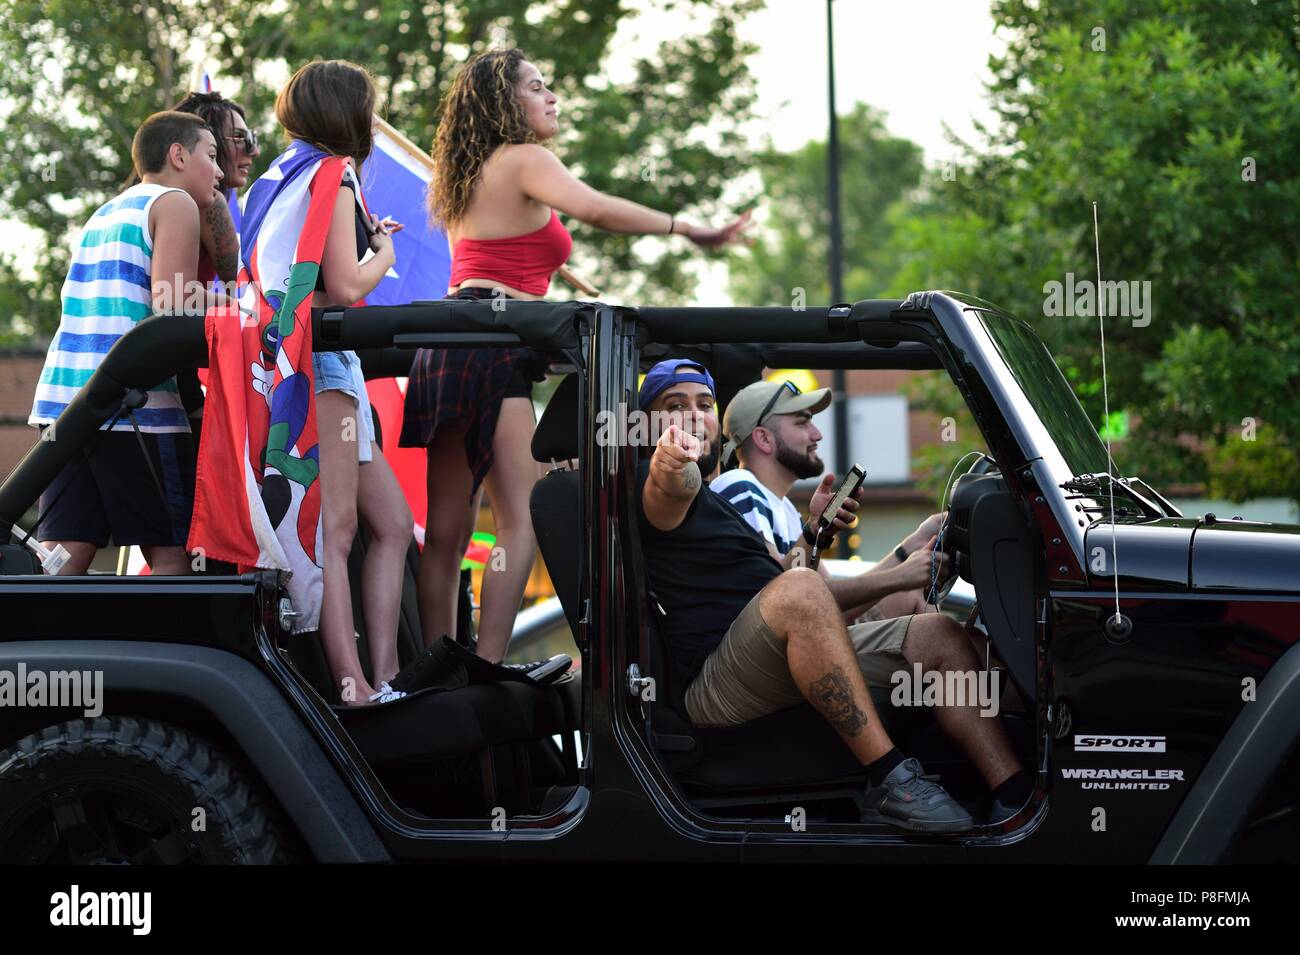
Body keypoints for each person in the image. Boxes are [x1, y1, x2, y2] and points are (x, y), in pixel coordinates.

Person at [403, 47, 752, 662]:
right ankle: (484, 665)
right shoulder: (525, 158)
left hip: (449, 341)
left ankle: (437, 665)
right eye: (537, 87)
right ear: (504, 103)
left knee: (448, 531)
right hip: (493, 346)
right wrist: (685, 228)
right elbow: (592, 207)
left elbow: (505, 255)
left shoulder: (463, 175)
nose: (551, 97)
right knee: (521, 518)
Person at [635, 359, 1034, 831]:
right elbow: (671, 489)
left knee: (938, 635)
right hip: (715, 680)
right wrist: (667, 461)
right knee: (802, 590)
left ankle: (1017, 803)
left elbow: (779, 577)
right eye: (673, 406)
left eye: (703, 405)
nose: (691, 415)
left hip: (765, 652)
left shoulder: (719, 502)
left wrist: (812, 531)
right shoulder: (663, 486)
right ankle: (894, 780)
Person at [267, 60, 414, 704]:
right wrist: (384, 252)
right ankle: (354, 685)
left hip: (310, 361)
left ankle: (388, 678)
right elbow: (347, 288)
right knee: (340, 528)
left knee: (395, 523)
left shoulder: (281, 175)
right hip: (322, 361)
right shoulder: (334, 173)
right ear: (348, 112)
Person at [29, 111, 224, 576]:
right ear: (178, 155)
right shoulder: (174, 201)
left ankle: (33, 646)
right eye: (211, 156)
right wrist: (246, 304)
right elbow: (171, 300)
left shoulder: (107, 212)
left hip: (66, 405)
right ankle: (174, 650)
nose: (218, 172)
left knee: (62, 555)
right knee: (172, 555)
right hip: (136, 411)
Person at [712, 378, 945, 618]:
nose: (818, 434)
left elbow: (834, 605)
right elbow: (780, 601)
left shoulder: (787, 509)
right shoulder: (739, 487)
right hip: (769, 650)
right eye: (802, 423)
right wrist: (901, 575)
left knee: (914, 595)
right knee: (931, 631)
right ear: (764, 439)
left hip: (803, 640)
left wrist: (910, 548)